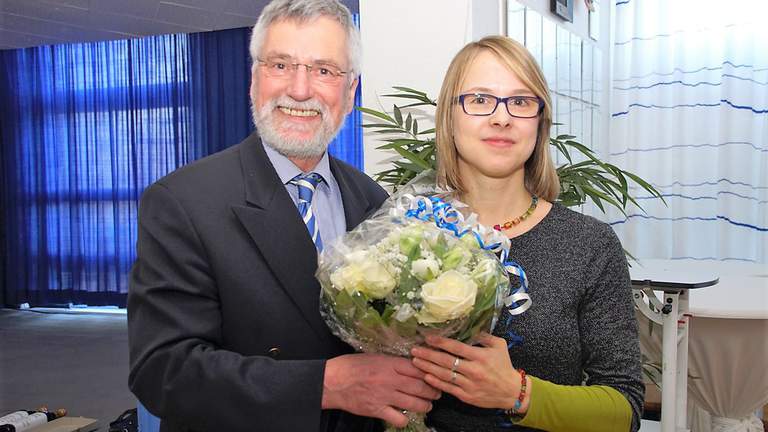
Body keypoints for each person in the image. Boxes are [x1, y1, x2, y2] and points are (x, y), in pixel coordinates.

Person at [127, 1, 440, 431]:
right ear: (254, 80)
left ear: (350, 92)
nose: (299, 89)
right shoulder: (182, 201)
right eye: (280, 64)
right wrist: (325, 384)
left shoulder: (371, 199)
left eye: (324, 70)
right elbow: (163, 372)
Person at [409, 36, 644, 432]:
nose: (501, 118)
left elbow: (625, 408)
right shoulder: (409, 236)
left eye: (520, 101)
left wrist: (517, 393)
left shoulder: (590, 245)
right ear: (449, 119)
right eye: (480, 99)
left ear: (540, 122)